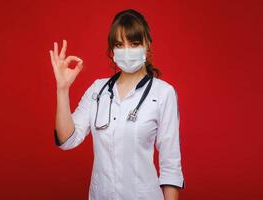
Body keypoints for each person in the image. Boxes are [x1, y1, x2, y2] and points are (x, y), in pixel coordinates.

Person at [49, 9, 185, 200]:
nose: (127, 51)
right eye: (120, 45)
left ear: (147, 46)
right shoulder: (98, 90)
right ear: (112, 51)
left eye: (134, 43)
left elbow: (171, 165)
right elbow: (66, 140)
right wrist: (62, 89)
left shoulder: (163, 93)